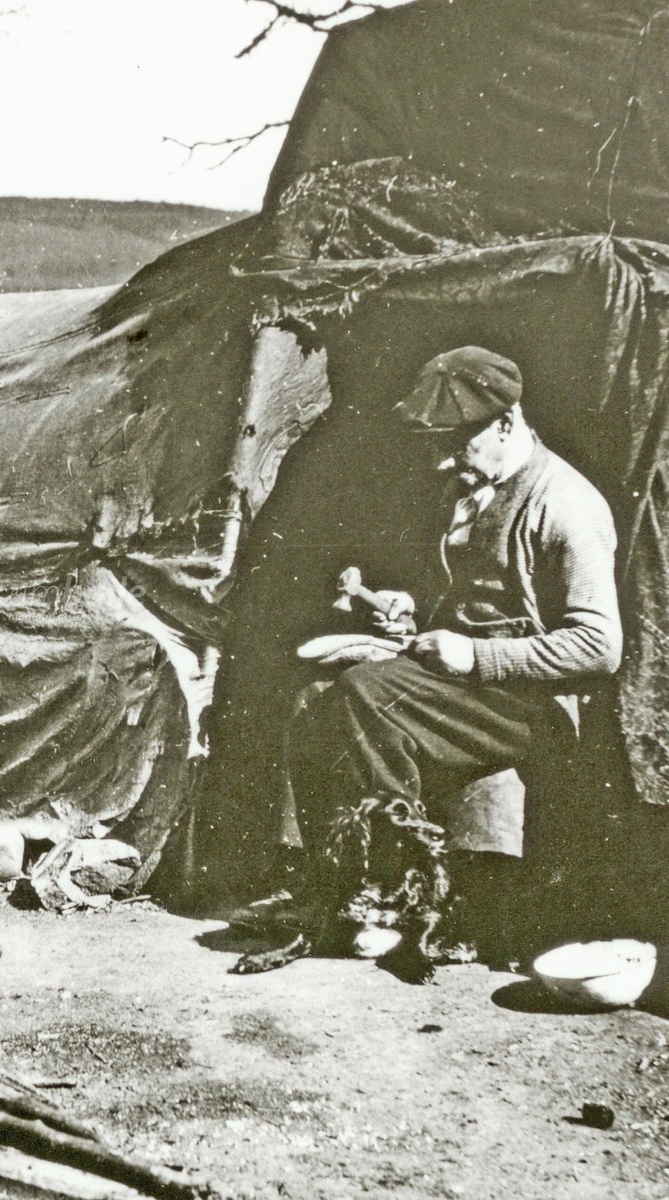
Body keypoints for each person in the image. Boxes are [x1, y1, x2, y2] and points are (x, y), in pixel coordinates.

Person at [233, 346, 623, 980]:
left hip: (529, 703)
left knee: (364, 692)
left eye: (458, 442)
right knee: (311, 700)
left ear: (507, 422)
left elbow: (598, 648)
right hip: (461, 689)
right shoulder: (467, 486)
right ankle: (327, 887)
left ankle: (401, 897)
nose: (444, 459)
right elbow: (469, 594)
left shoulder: (566, 506)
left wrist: (473, 654)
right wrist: (411, 606)